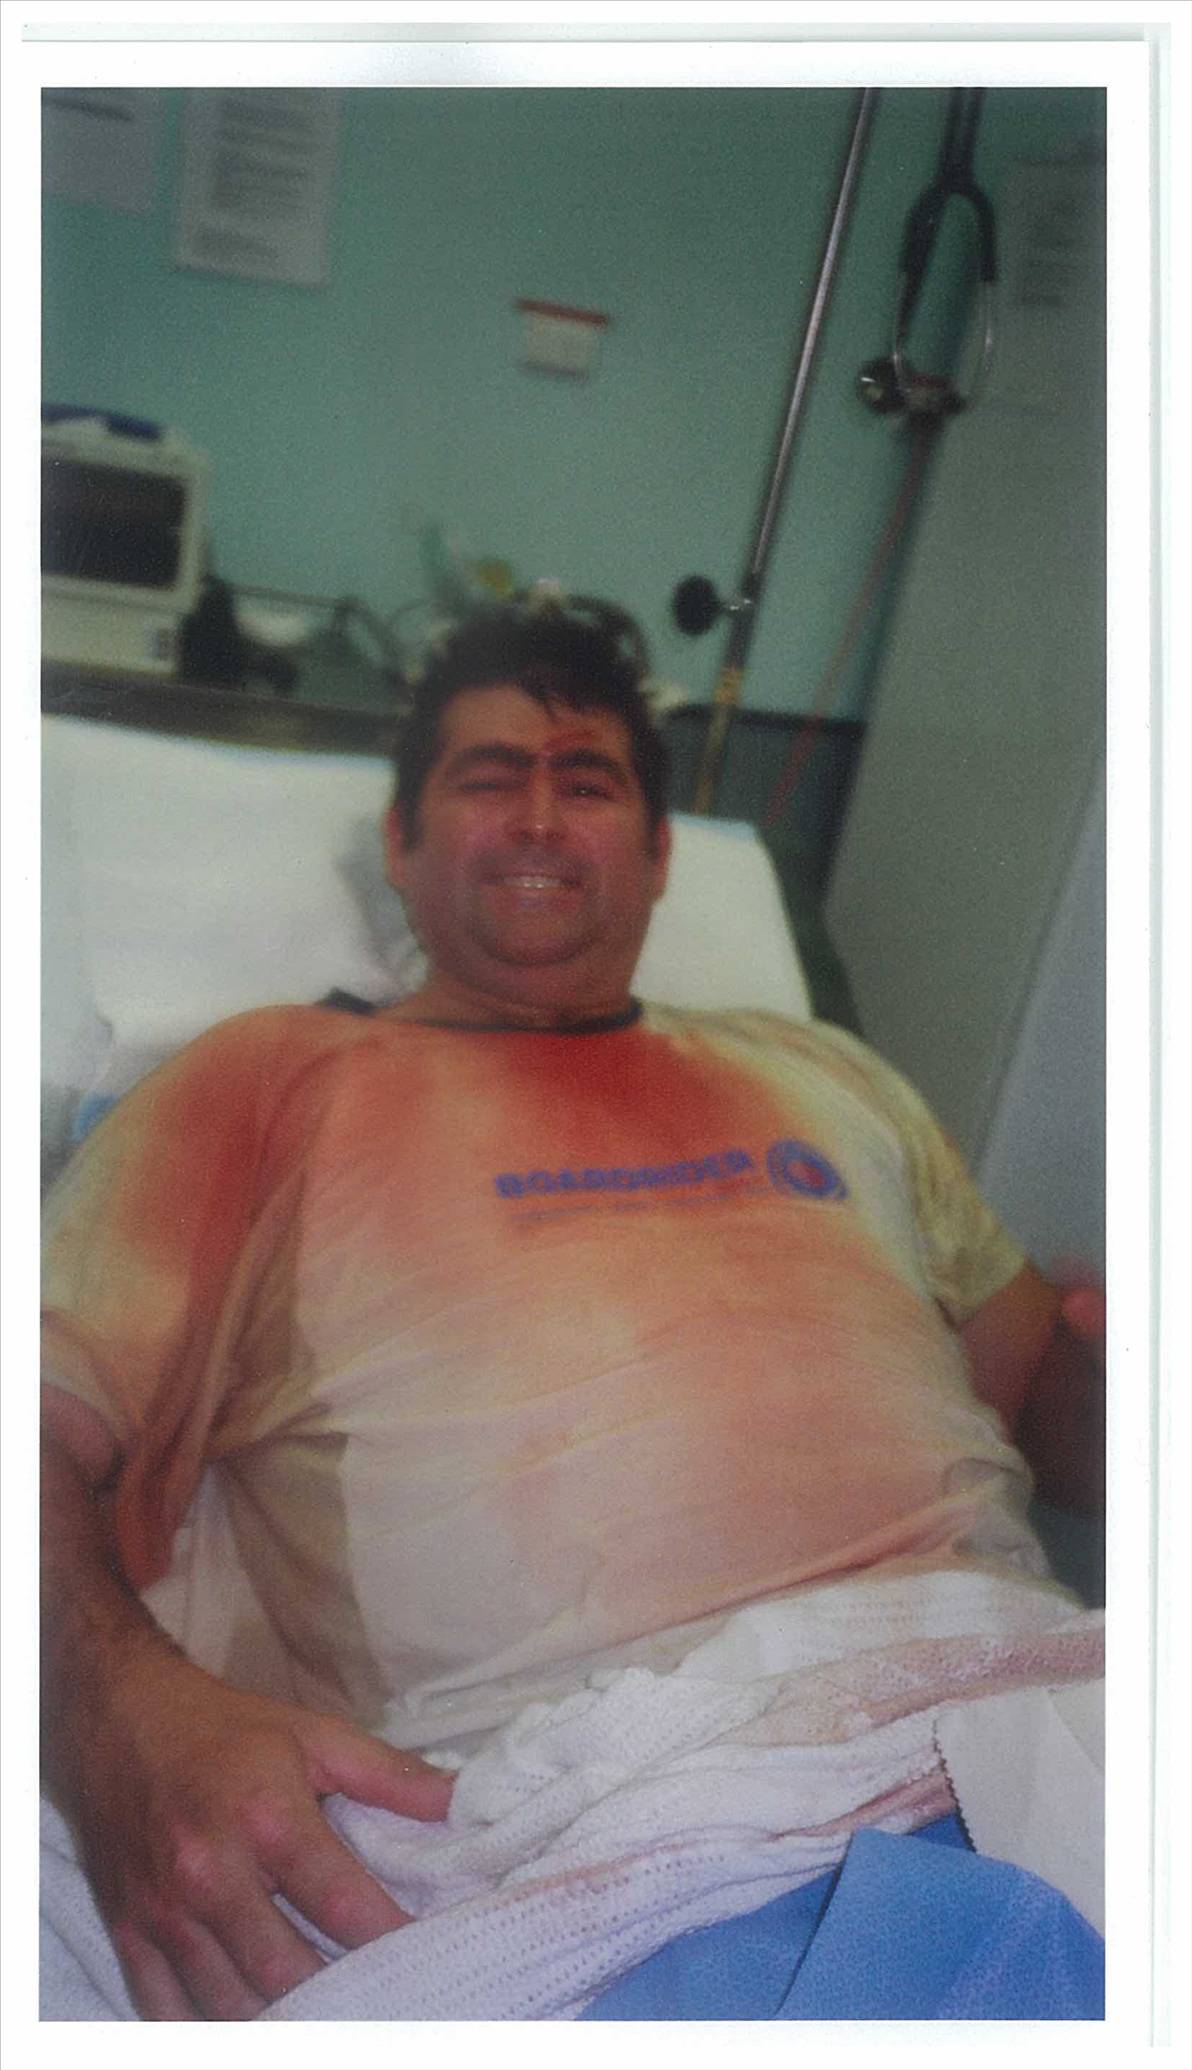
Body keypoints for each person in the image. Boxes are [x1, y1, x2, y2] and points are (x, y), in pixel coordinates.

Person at [40, 597, 1105, 2022]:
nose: (540, 817)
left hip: (1031, 1713)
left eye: (588, 782)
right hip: (608, 1818)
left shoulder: (827, 1070)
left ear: (659, 854)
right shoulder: (269, 1078)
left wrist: (1118, 1354)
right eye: (489, 777)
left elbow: (1045, 1401)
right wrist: (111, 1718)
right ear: (403, 845)